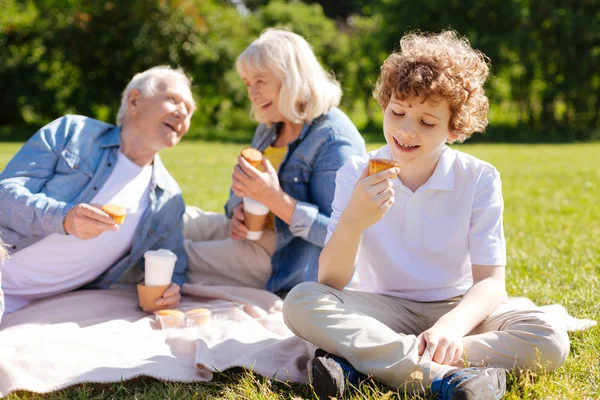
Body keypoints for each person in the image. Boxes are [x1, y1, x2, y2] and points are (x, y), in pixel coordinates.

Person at [283, 30, 570, 400]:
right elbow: (331, 281)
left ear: (455, 127)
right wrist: (354, 219)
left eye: (427, 122)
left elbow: (490, 283)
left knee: (548, 338)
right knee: (302, 301)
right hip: (380, 306)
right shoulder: (356, 172)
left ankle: (369, 362)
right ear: (384, 104)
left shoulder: (479, 178)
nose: (405, 130)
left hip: (459, 309)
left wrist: (451, 328)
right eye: (397, 112)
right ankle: (444, 375)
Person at [183, 28, 366, 294]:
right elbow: (241, 194)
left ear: (292, 77)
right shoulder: (271, 126)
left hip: (287, 256)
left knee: (171, 253)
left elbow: (341, 236)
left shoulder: (334, 139)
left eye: (260, 80)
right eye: (248, 83)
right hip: (254, 235)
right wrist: (236, 213)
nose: (252, 94)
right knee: (173, 219)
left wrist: (274, 199)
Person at [0, 65, 195, 314]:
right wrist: (65, 219)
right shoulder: (73, 133)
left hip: (44, 307)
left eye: (189, 111)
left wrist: (170, 289)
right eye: (173, 100)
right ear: (135, 100)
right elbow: (4, 195)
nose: (182, 114)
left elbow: (173, 265)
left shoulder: (168, 197)